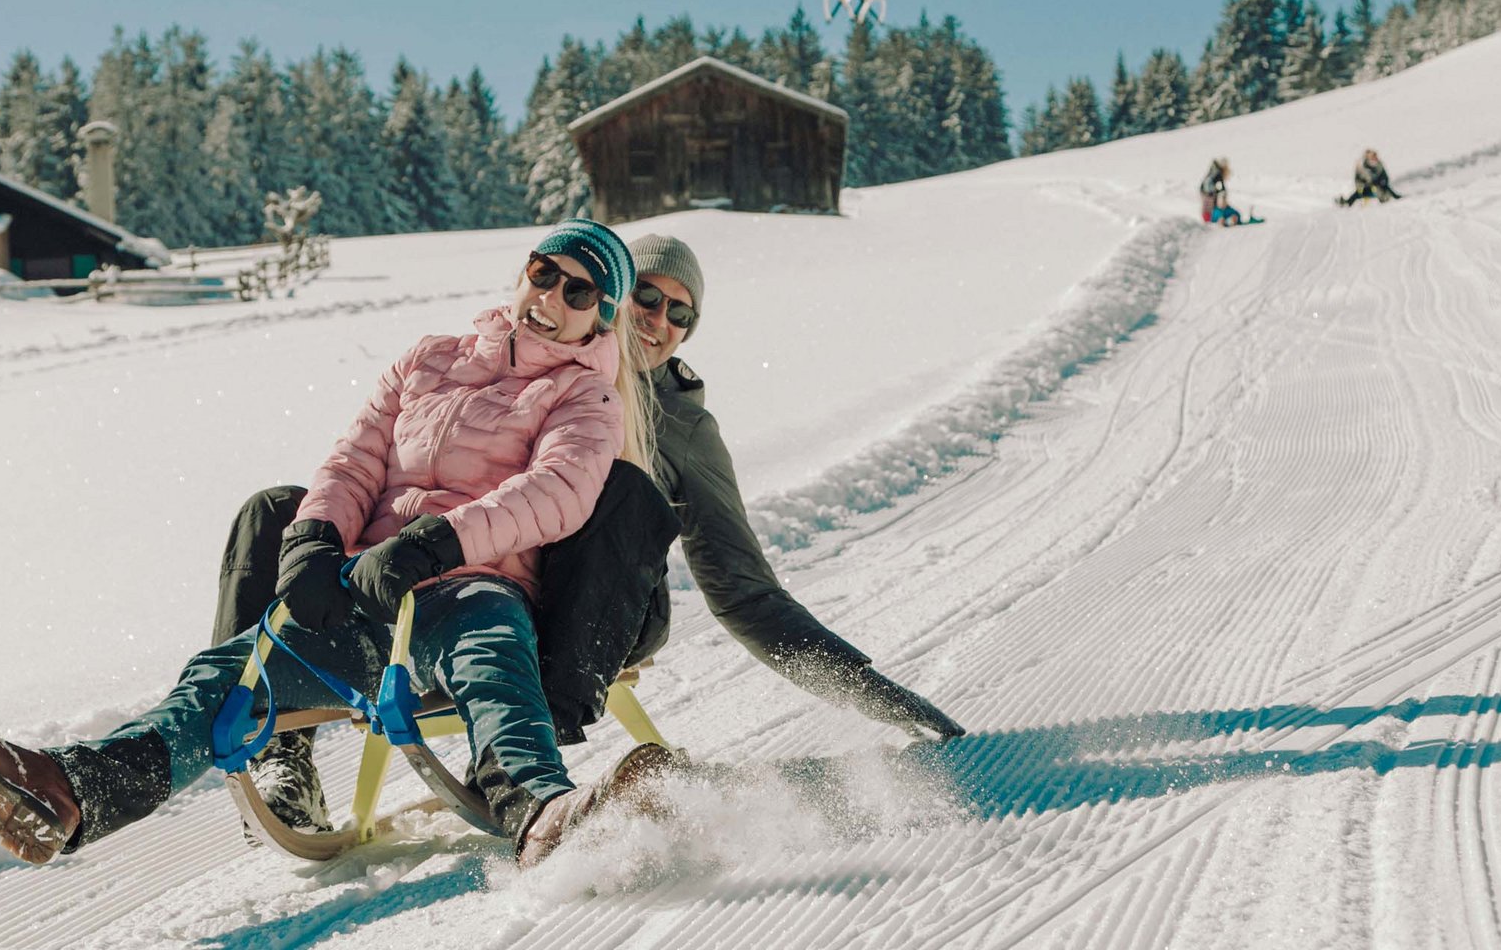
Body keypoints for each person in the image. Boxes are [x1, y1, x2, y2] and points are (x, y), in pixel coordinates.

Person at [0, 219, 678, 868]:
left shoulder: (584, 396)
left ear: (598, 319)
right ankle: (75, 791)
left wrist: (433, 544)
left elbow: (559, 491)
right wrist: (315, 539)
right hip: (363, 587)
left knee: (492, 660)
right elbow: (354, 461)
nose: (551, 298)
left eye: (578, 292)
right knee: (227, 673)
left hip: (468, 586)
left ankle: (541, 810)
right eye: (544, 274)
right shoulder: (428, 360)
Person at [216, 232, 966, 840]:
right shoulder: (530, 370)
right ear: (607, 301)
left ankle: (528, 744)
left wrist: (888, 703)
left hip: (591, 613)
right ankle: (274, 740)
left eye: (682, 314)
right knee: (274, 511)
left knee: (625, 493)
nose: (660, 321)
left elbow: (744, 592)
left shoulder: (684, 429)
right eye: (646, 296)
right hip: (475, 575)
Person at [1200, 157, 1243, 226]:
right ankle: (1215, 219)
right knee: (1212, 207)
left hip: (1206, 191)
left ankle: (1214, 219)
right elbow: (1221, 186)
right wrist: (1221, 192)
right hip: (1209, 192)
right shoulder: (1218, 172)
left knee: (1210, 206)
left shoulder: (1213, 170)